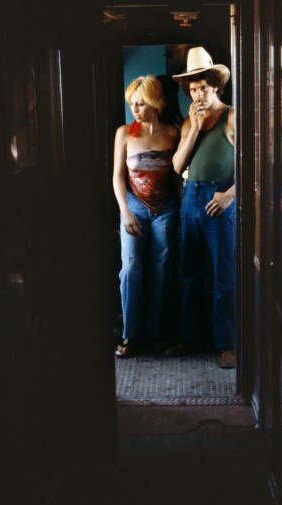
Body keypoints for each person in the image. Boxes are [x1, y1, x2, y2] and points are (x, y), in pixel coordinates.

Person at [168, 46, 237, 369]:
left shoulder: (231, 115)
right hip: (191, 198)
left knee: (225, 273)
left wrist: (229, 196)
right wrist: (193, 129)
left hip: (218, 199)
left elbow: (256, 165)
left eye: (204, 88)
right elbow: (177, 165)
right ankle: (189, 336)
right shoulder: (188, 122)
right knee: (188, 273)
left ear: (216, 87)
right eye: (193, 89)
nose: (198, 94)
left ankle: (227, 344)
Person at [112, 75, 181, 357]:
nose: (135, 109)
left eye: (140, 103)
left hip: (166, 208)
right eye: (132, 103)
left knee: (162, 270)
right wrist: (125, 212)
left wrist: (182, 208)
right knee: (130, 269)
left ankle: (155, 333)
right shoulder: (125, 133)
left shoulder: (172, 133)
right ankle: (131, 335)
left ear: (155, 102)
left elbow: (177, 176)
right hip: (134, 206)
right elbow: (117, 177)